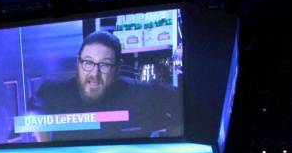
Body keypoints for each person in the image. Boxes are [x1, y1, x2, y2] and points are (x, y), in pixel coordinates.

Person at [30, 30, 181, 142]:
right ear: (78, 62)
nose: (94, 74)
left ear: (117, 68)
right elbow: (31, 118)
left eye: (105, 65)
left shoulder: (142, 93)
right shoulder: (53, 92)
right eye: (88, 63)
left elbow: (188, 106)